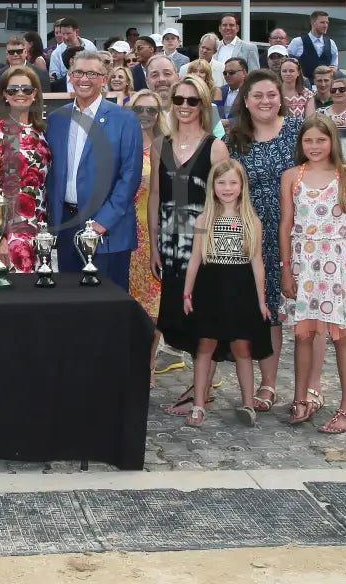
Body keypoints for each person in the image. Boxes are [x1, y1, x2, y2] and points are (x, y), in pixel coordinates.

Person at [281, 115, 346, 434]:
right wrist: (286, 269)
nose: (315, 146)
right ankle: (301, 398)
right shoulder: (292, 176)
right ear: (300, 144)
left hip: (337, 265)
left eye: (321, 139)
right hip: (304, 264)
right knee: (303, 334)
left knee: (340, 336)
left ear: (333, 141)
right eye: (308, 140)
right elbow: (286, 226)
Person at [149, 76, 230, 415]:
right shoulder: (160, 145)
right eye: (178, 100)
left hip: (204, 244)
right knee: (177, 316)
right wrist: (154, 244)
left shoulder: (215, 147)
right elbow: (155, 195)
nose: (184, 106)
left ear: (203, 105)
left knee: (205, 314)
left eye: (192, 100)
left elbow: (226, 201)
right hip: (169, 243)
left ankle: (203, 391)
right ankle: (200, 388)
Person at [181, 160, 273, 427]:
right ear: (213, 187)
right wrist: (187, 294)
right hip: (210, 288)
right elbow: (195, 259)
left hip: (240, 288)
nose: (227, 188)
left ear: (242, 186)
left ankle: (248, 404)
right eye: (221, 183)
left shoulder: (252, 221)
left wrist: (261, 301)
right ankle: (199, 404)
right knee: (205, 345)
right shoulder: (203, 219)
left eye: (233, 182)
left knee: (242, 347)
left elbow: (257, 263)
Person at [45, 51, 142, 289]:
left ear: (104, 78)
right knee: (71, 302)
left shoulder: (125, 120)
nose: (83, 79)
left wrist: (103, 222)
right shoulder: (56, 119)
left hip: (107, 230)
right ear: (70, 76)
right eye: (78, 72)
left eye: (91, 73)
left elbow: (129, 177)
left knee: (108, 305)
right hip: (67, 225)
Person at [0, 67, 51, 273]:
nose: (20, 94)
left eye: (26, 89)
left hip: (41, 227)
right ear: (4, 94)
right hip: (9, 231)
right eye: (13, 90)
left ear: (34, 94)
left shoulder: (41, 131)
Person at [126, 90, 166, 385]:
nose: (145, 114)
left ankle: (149, 363)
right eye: (139, 108)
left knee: (155, 305)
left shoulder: (166, 145)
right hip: (124, 232)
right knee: (128, 302)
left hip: (153, 230)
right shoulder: (122, 143)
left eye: (151, 110)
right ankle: (128, 359)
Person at [287, 11, 338, 82]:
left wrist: (333, 70)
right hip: (303, 86)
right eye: (322, 22)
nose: (325, 25)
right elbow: (287, 63)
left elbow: (334, 67)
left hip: (325, 86)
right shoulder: (297, 42)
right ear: (313, 23)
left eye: (327, 23)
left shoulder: (331, 43)